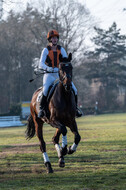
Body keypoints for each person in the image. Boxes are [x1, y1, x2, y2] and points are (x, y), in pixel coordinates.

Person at [38, 29, 82, 118]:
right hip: (49, 75)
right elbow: (40, 64)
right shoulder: (46, 50)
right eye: (53, 38)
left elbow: (66, 61)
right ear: (50, 39)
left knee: (75, 89)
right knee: (46, 89)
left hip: (60, 75)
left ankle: (76, 108)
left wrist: (64, 69)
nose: (54, 40)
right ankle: (42, 109)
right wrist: (49, 68)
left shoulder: (61, 49)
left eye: (56, 38)